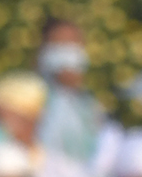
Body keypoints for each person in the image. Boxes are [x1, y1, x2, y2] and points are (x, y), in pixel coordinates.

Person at [34, 20, 108, 166]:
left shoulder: (91, 105)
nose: (68, 52)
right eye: (60, 44)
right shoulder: (29, 99)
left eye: (74, 44)